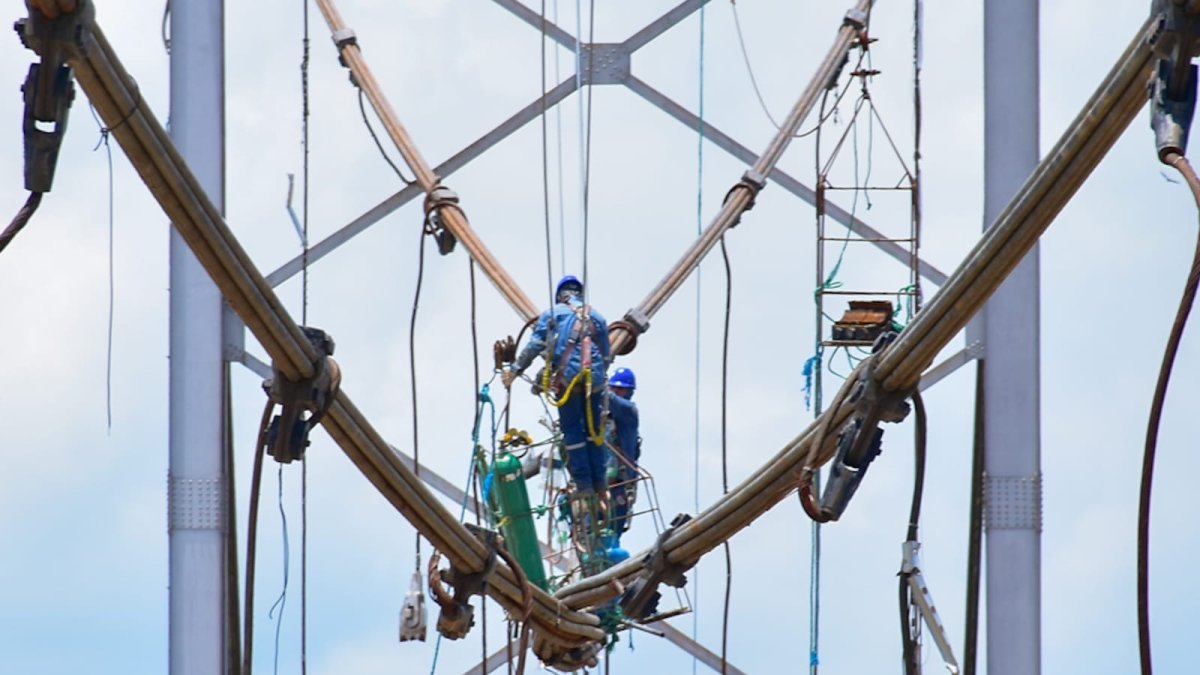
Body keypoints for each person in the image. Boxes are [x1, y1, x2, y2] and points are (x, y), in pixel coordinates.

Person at [502, 275, 611, 500]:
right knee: (594, 433)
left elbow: (536, 346)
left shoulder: (553, 314)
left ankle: (584, 486)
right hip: (595, 381)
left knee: (573, 433)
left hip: (568, 381)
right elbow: (607, 355)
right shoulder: (598, 317)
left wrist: (514, 371)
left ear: (560, 296)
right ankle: (600, 483)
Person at [604, 367, 640, 543]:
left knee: (610, 540)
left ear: (629, 392)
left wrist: (593, 381)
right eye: (613, 388)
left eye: (621, 389)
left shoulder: (628, 412)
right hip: (598, 488)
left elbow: (610, 399)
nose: (615, 392)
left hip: (618, 486)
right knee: (587, 533)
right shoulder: (602, 418)